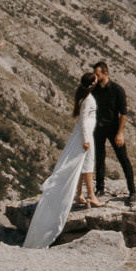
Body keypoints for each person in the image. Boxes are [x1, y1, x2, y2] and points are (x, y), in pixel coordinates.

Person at [23, 72, 97, 249]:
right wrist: (86, 140)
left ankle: (79, 195)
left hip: (83, 136)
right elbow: (84, 122)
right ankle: (90, 195)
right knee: (87, 166)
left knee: (79, 167)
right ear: (92, 83)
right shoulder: (87, 99)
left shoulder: (84, 96)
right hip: (85, 137)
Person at [90, 60, 136, 202]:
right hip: (99, 127)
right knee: (99, 157)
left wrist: (120, 133)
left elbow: (123, 113)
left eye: (97, 75)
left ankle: (132, 191)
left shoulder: (117, 90)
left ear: (106, 73)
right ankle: (100, 188)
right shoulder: (94, 89)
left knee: (123, 158)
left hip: (114, 127)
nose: (95, 77)